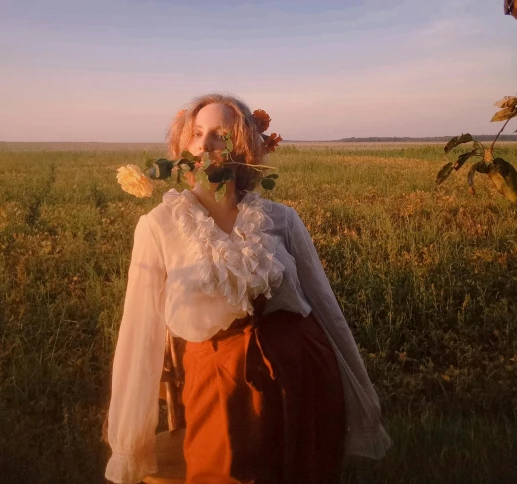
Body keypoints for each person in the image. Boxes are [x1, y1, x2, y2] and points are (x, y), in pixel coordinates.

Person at [105, 93, 390, 484]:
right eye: (197, 133)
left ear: (241, 147)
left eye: (220, 134)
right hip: (219, 382)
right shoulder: (160, 225)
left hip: (302, 371)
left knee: (305, 472)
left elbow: (326, 308)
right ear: (184, 146)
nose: (205, 144)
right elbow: (139, 335)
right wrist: (130, 442)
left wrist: (362, 400)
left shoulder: (281, 219)